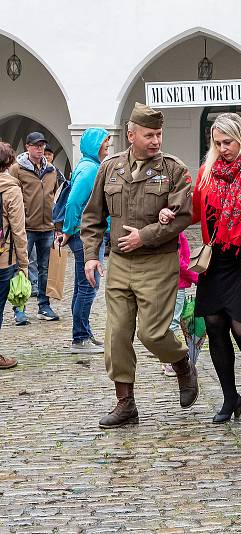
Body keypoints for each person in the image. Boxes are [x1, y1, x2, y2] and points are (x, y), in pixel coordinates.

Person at [81, 102, 197, 428]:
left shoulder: (174, 170)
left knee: (152, 333)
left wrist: (145, 236)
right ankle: (125, 402)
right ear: (131, 134)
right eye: (149, 134)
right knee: (116, 335)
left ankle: (182, 363)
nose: (156, 141)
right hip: (119, 263)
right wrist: (91, 255)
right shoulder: (110, 168)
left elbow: (183, 215)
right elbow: (92, 217)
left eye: (159, 134)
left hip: (158, 261)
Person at [165, 112, 241, 423]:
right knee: (214, 325)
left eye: (228, 142)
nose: (223, 148)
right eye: (217, 143)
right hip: (217, 259)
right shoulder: (207, 172)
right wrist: (171, 214)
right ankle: (230, 397)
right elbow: (195, 212)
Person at [59, 128, 110, 354]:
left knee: (82, 287)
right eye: (104, 142)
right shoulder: (90, 170)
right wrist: (69, 230)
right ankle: (79, 339)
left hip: (83, 234)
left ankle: (84, 333)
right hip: (85, 236)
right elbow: (73, 203)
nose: (107, 146)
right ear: (94, 144)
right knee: (89, 286)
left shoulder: (87, 165)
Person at [10, 132, 60, 325]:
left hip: (46, 227)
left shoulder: (51, 170)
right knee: (21, 268)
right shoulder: (17, 169)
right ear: (28, 147)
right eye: (36, 145)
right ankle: (19, 308)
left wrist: (57, 224)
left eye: (42, 146)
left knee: (45, 269)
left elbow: (56, 195)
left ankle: (44, 306)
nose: (40, 149)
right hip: (26, 227)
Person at [0, 142, 29, 370]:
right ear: (9, 163)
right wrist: (24, 266)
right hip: (3, 259)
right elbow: (19, 231)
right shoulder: (11, 189)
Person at [162, 231, 198, 377]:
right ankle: (169, 361)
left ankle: (167, 359)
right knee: (173, 322)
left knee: (168, 321)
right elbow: (180, 262)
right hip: (176, 283)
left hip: (166, 282)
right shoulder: (176, 233)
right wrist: (196, 278)